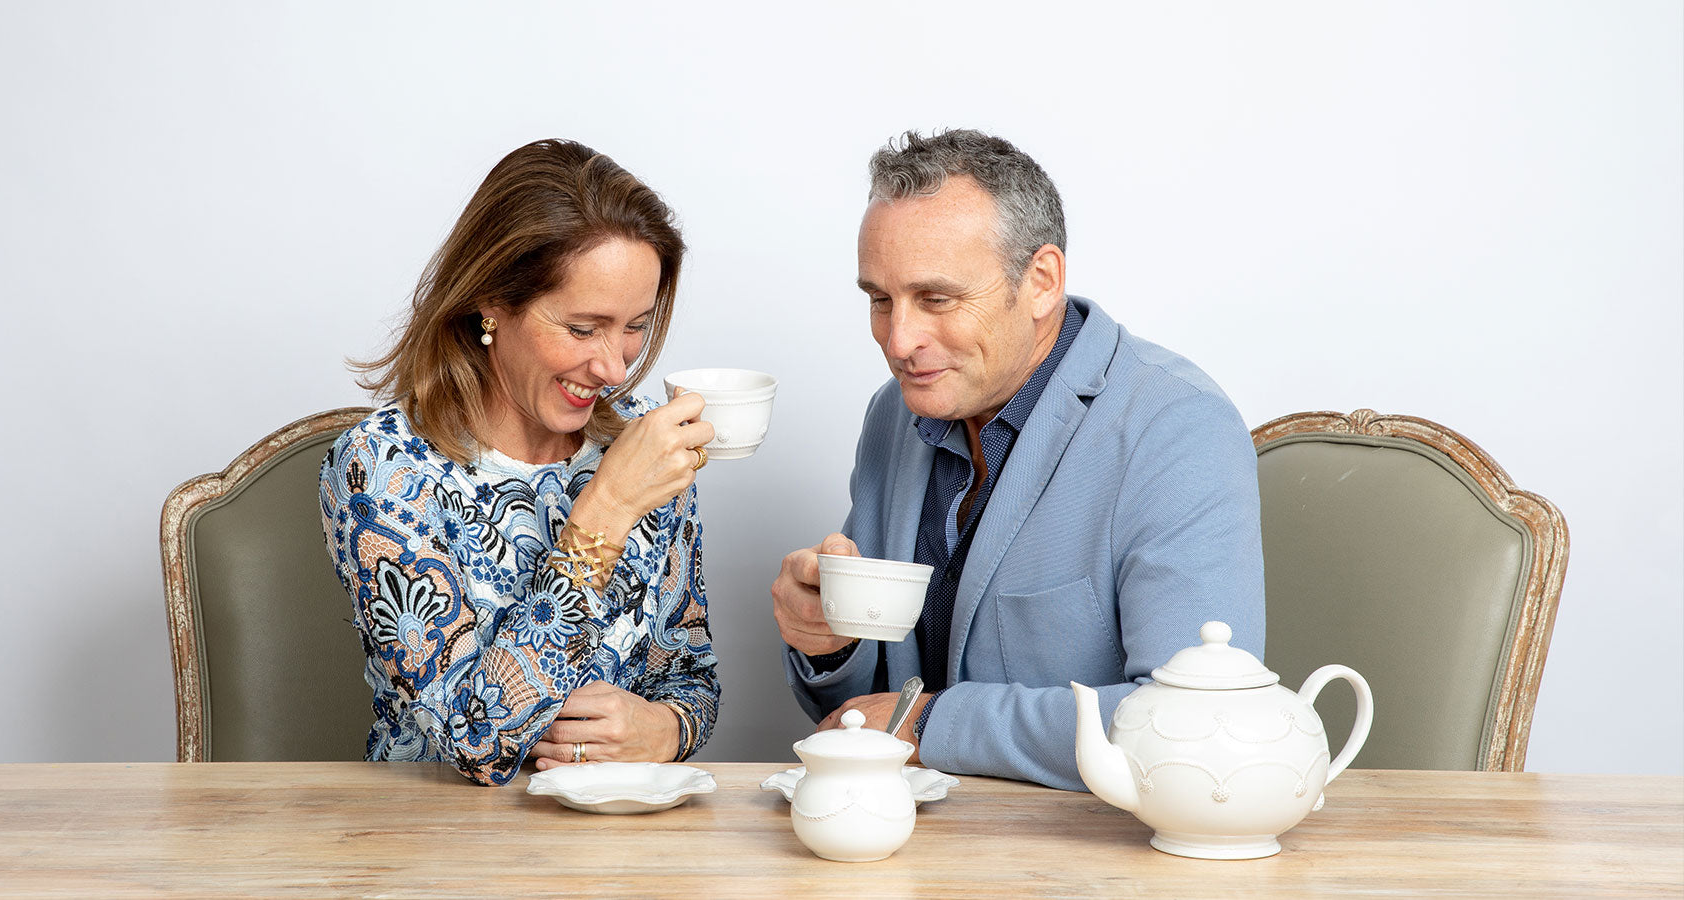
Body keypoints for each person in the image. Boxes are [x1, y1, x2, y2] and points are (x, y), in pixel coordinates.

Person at [771, 129, 1264, 791]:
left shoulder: (1177, 427)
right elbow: (869, 712)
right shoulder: (894, 414)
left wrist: (936, 724)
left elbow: (1197, 723)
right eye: (879, 300)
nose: (899, 338)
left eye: (937, 298)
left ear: (1041, 282)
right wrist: (831, 643)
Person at [319, 139, 719, 786]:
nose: (615, 368)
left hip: (618, 852)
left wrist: (667, 729)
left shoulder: (644, 444)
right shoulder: (382, 470)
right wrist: (607, 508)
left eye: (634, 326)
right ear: (491, 301)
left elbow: (691, 678)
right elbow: (478, 742)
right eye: (584, 329)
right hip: (438, 846)